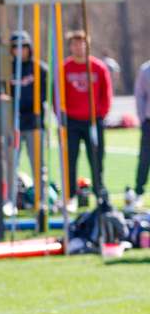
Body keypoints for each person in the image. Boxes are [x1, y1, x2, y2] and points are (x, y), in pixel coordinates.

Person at [63, 30, 112, 208]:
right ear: (70, 46)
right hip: (72, 121)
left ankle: (99, 193)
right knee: (70, 158)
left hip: (93, 121)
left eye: (82, 43)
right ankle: (70, 196)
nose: (78, 47)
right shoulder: (65, 68)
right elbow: (57, 96)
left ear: (87, 45)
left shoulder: (98, 67)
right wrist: (61, 114)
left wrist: (100, 113)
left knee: (96, 158)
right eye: (75, 44)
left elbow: (106, 94)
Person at [8, 31, 48, 215]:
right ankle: (11, 200)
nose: (20, 50)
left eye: (23, 46)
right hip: (14, 124)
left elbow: (44, 96)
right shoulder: (6, 69)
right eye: (15, 47)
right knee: (11, 163)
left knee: (38, 165)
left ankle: (42, 200)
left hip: (34, 123)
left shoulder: (39, 69)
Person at [128, 58, 150, 209]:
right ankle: (138, 192)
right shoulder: (146, 70)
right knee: (144, 159)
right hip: (149, 122)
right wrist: (143, 119)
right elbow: (139, 96)